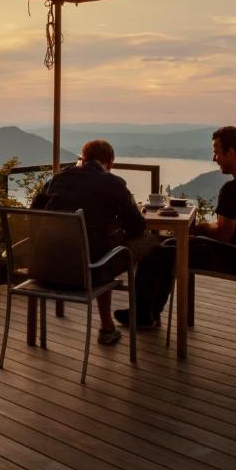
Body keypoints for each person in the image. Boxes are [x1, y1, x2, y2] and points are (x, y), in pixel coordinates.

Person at [117, 125, 236, 327]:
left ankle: (142, 315)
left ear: (232, 152)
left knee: (155, 253)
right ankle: (149, 313)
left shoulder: (234, 188)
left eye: (217, 152)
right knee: (168, 247)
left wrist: (199, 229)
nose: (214, 158)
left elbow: (223, 233)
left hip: (234, 257)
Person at [31, 139, 156, 345]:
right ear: (111, 162)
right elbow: (137, 227)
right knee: (148, 241)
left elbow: (35, 213)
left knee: (98, 247)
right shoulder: (113, 184)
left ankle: (108, 326)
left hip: (44, 269)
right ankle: (136, 315)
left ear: (82, 159)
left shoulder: (58, 179)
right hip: (87, 272)